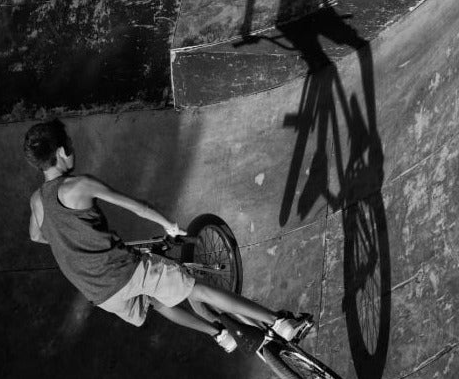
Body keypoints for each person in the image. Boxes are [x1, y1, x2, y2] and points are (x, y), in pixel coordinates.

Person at [23, 119, 312, 352]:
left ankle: (219, 334)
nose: (73, 148)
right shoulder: (78, 185)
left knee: (157, 302)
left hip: (99, 293)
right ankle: (280, 323)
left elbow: (38, 236)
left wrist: (74, 239)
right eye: (70, 144)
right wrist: (170, 226)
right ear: (61, 152)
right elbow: (138, 207)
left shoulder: (37, 200)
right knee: (196, 289)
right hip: (121, 270)